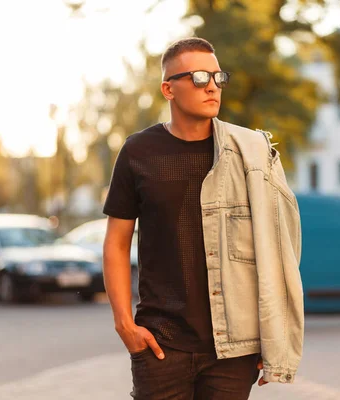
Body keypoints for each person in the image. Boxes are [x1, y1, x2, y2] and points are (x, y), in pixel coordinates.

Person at [102, 37, 304, 400]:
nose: (211, 85)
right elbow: (116, 243)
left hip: (232, 349)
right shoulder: (138, 152)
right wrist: (124, 325)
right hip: (161, 343)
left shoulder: (249, 154)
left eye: (217, 77)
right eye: (197, 77)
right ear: (168, 89)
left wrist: (267, 333)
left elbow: (277, 247)